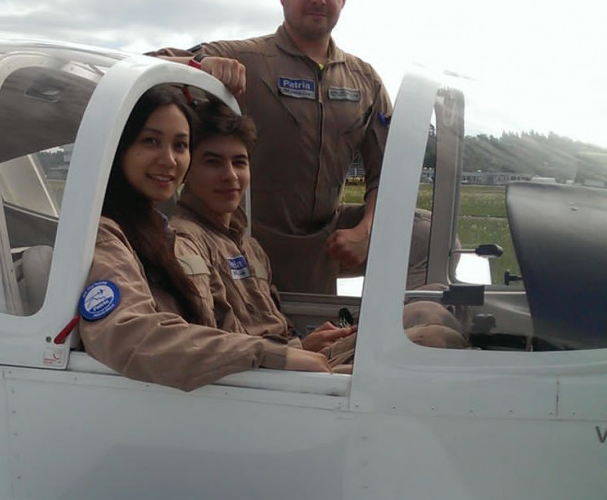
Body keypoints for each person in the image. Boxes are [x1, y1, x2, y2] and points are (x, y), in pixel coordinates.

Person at [155, 0, 425, 295]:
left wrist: (366, 232)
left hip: (327, 247)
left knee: (426, 233)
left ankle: (391, 325)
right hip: (246, 243)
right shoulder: (246, 58)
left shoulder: (365, 81)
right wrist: (200, 66)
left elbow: (388, 173)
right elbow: (139, 67)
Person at [78, 86, 332, 391]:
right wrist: (266, 353)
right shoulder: (108, 236)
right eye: (151, 141)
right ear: (119, 147)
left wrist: (289, 349)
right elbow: (128, 335)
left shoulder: (158, 235)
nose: (169, 160)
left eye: (180, 145)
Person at [170, 101, 467, 357]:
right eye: (213, 163)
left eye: (239, 162)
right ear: (185, 169)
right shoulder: (183, 243)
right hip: (267, 373)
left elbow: (274, 324)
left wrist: (308, 341)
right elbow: (205, 347)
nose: (231, 176)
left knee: (435, 299)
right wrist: (298, 350)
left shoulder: (248, 246)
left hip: (292, 355)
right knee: (434, 340)